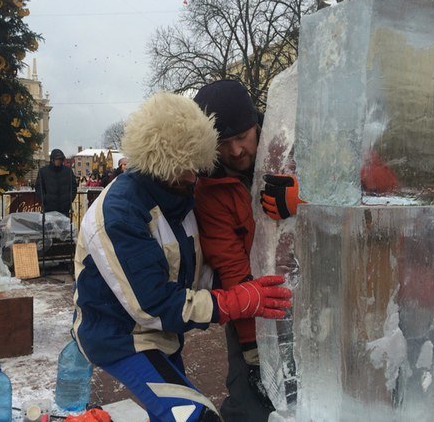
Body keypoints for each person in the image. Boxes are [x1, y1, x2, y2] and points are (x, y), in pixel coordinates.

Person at [72, 92, 292, 422]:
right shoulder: (121, 214)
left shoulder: (181, 196)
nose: (193, 176)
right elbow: (154, 305)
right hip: (122, 338)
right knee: (194, 416)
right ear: (156, 164)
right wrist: (234, 301)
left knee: (172, 412)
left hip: (164, 335)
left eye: (196, 165)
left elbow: (200, 265)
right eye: (182, 168)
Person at [193, 80, 303, 421]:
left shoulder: (286, 145)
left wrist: (306, 198)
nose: (237, 150)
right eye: (223, 144)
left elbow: (349, 187)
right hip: (250, 308)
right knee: (250, 401)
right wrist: (254, 349)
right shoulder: (209, 190)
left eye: (242, 137)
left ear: (256, 125)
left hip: (310, 295)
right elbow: (232, 268)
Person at [35, 149, 77, 215]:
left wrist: (68, 200)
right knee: (49, 225)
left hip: (64, 208)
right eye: (57, 159)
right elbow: (39, 188)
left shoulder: (68, 171)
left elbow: (73, 187)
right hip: (49, 208)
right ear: (52, 159)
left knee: (64, 225)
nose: (59, 161)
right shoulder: (43, 172)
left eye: (60, 159)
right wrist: (45, 199)